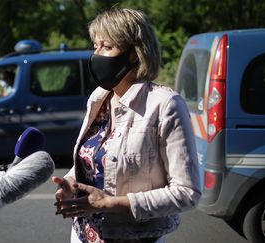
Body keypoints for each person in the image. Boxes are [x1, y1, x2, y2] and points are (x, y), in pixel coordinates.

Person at [52, 7, 200, 243]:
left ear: (134, 54)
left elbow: (187, 193)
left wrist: (112, 203)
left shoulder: (164, 104)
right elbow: (94, 160)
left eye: (107, 47)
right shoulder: (99, 98)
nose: (96, 55)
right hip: (82, 235)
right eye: (95, 46)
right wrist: (71, 182)